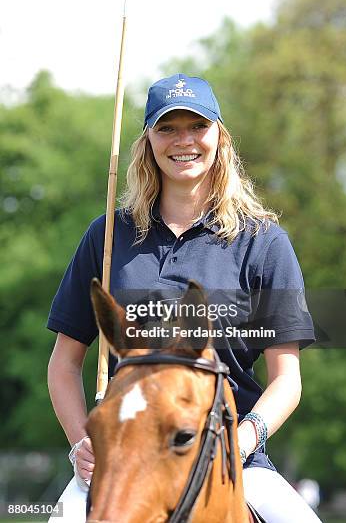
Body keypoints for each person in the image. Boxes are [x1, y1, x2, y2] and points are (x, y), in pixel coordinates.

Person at [47, 73, 321, 523]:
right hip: (124, 460)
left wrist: (244, 437)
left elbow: (287, 380)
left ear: (219, 137)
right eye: (167, 128)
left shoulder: (264, 242)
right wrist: (82, 443)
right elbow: (64, 364)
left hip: (234, 461)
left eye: (196, 126)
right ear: (148, 141)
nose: (184, 141)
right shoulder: (108, 237)